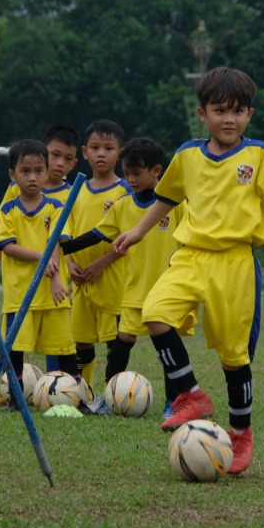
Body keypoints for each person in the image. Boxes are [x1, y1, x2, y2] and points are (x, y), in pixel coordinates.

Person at [114, 67, 264, 476]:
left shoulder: (261, 156)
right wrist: (138, 232)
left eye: (237, 111)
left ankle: (241, 434)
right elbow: (166, 197)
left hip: (235, 263)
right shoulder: (186, 156)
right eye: (219, 111)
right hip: (191, 255)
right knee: (155, 313)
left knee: (234, 359)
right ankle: (191, 394)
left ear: (249, 114)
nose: (228, 119)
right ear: (203, 114)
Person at [68, 137, 194, 415]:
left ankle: (173, 403)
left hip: (168, 288)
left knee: (166, 347)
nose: (132, 179)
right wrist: (61, 246)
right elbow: (95, 235)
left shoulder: (175, 204)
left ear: (156, 171)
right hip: (134, 289)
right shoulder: (123, 206)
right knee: (123, 339)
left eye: (137, 173)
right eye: (127, 174)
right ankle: (109, 397)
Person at [0, 139, 77, 407]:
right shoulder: (8, 210)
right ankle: (15, 398)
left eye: (39, 171)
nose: (33, 177)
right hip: (20, 293)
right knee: (14, 348)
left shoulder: (55, 207)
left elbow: (57, 242)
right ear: (12, 175)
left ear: (47, 171)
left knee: (64, 346)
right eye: (25, 171)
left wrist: (54, 278)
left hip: (52, 292)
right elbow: (7, 247)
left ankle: (74, 397)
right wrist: (39, 257)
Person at [64, 119, 130, 395]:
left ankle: (113, 393)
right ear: (84, 152)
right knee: (81, 340)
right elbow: (66, 232)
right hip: (80, 280)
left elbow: (129, 239)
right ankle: (82, 390)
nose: (101, 153)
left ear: (120, 153)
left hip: (112, 278)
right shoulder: (75, 190)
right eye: (95, 147)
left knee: (114, 340)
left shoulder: (125, 191)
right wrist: (69, 263)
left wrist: (102, 264)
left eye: (108, 147)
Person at [0, 125, 79, 283]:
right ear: (43, 153)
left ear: (74, 163)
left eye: (68, 158)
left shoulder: (72, 196)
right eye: (55, 155)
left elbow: (66, 240)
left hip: (52, 281)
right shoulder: (15, 189)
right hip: (19, 279)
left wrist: (69, 269)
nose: (60, 163)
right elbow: (4, 235)